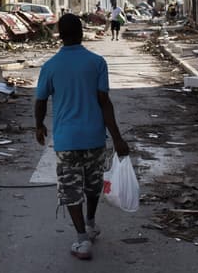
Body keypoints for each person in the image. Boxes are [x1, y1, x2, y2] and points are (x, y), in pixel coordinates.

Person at [34, 14, 130, 260]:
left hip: (67, 140)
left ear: (60, 35)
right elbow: (104, 102)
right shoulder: (97, 63)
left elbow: (41, 100)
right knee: (93, 184)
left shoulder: (50, 66)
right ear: (81, 33)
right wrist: (117, 138)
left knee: (70, 189)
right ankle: (90, 223)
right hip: (94, 137)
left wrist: (39, 126)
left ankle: (81, 240)